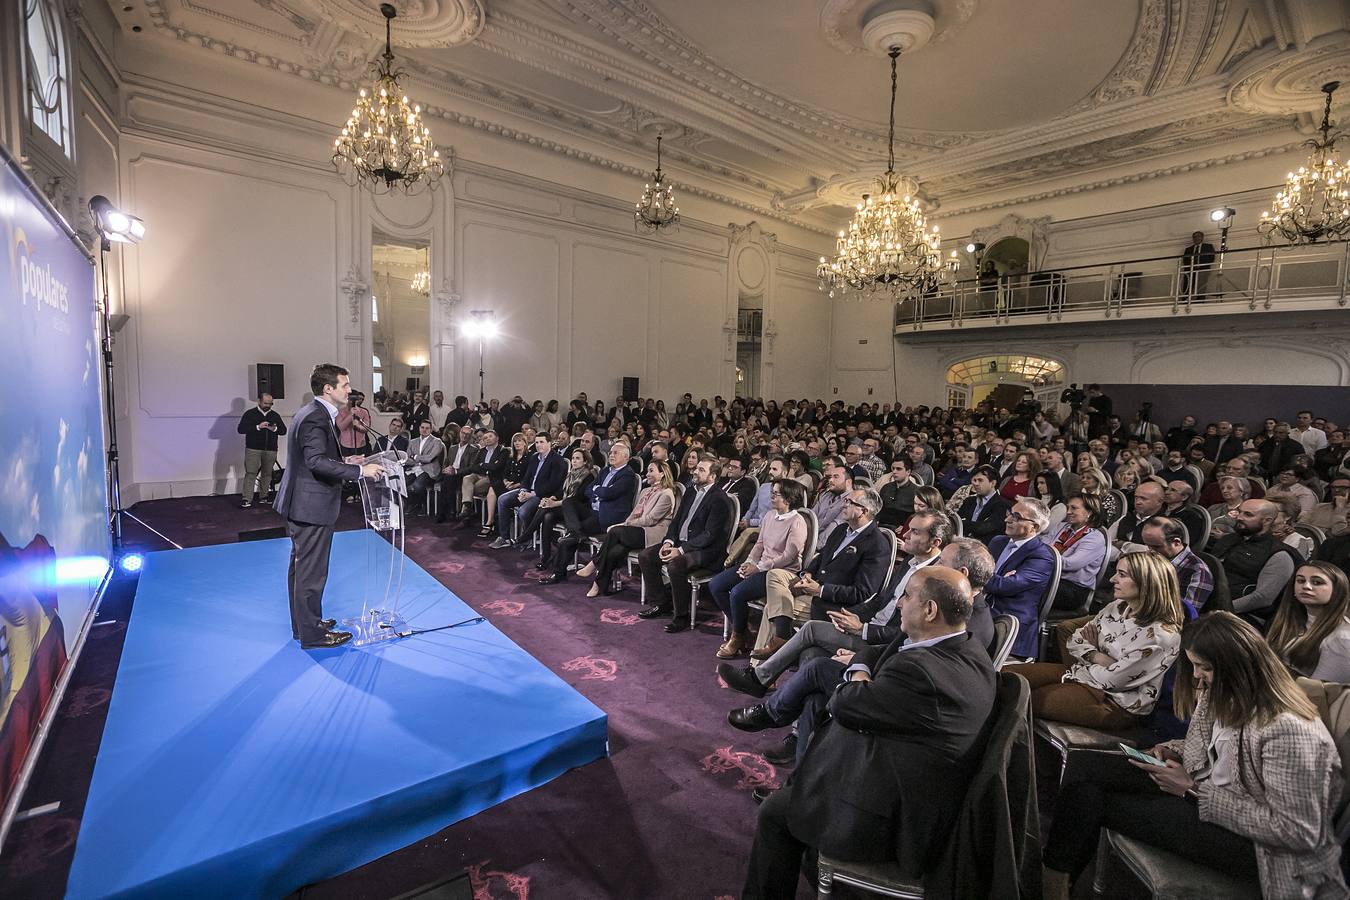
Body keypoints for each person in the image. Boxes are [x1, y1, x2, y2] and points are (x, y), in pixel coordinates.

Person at [1041, 612, 1347, 900]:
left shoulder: (1289, 730)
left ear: (1240, 665)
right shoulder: (1221, 692)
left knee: (1095, 799)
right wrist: (1171, 749)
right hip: (1201, 792)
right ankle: (1055, 882)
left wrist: (1192, 789)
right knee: (1087, 770)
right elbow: (1208, 745)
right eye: (1195, 666)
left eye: (1206, 667)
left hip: (1252, 845)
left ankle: (1055, 882)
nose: (1198, 677)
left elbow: (1297, 831)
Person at [740, 567, 996, 900]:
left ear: (930, 610)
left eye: (907, 596)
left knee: (775, 813)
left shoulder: (921, 671)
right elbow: (877, 652)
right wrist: (862, 669)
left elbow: (846, 702)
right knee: (818, 701)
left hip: (900, 816)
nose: (900, 604)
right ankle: (811, 842)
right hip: (916, 773)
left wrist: (858, 674)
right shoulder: (965, 645)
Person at [721, 511, 947, 695]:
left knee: (807, 629)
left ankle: (759, 677)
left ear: (934, 541)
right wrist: (853, 616)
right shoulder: (910, 562)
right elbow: (879, 601)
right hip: (860, 623)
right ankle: (798, 729)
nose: (905, 535)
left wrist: (863, 628)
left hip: (881, 644)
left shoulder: (935, 579)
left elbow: (907, 635)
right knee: (809, 654)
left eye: (915, 532)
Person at [1008, 551, 1183, 729]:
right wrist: (1101, 658)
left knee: (1021, 700)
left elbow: (1112, 680)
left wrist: (1092, 653)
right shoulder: (1117, 606)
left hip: (1114, 702)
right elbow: (1074, 640)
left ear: (1147, 583)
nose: (1112, 579)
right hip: (1080, 673)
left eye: (1122, 575)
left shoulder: (1161, 636)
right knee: (1006, 677)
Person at [273, 364, 382, 649]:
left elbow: (317, 459)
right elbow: (316, 462)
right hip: (310, 505)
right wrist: (361, 472)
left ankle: (305, 625)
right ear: (328, 389)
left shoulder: (314, 413)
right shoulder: (316, 418)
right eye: (345, 385)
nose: (349, 390)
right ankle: (313, 635)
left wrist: (347, 462)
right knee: (311, 573)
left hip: (304, 503)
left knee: (302, 570)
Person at [709, 479, 808, 658]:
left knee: (738, 593)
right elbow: (759, 544)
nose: (772, 496)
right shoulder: (770, 515)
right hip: (760, 566)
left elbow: (788, 556)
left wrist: (760, 567)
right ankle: (743, 631)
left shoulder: (797, 522)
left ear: (788, 498)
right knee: (716, 584)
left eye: (776, 493)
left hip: (780, 572)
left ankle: (737, 636)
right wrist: (749, 562)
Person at [636, 455, 732, 634]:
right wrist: (668, 541)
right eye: (697, 468)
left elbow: (709, 536)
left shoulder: (719, 499)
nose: (695, 471)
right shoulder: (690, 491)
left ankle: (681, 616)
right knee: (646, 556)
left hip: (706, 551)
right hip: (680, 543)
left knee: (676, 565)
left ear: (713, 476)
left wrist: (680, 550)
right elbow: (676, 520)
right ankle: (661, 603)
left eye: (701, 470)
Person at [574, 461, 677, 597]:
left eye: (651, 471)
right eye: (647, 470)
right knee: (614, 552)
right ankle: (599, 585)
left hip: (652, 533)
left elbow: (650, 520)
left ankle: (594, 563)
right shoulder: (646, 491)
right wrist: (625, 523)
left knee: (616, 531)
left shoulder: (666, 494)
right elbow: (634, 513)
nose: (647, 474)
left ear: (662, 473)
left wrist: (624, 525)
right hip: (638, 529)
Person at [542, 443, 640, 583]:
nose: (611, 455)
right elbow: (588, 489)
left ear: (626, 457)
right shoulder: (606, 470)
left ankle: (558, 573)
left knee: (569, 539)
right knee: (568, 502)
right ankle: (575, 533)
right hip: (593, 510)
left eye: (615, 453)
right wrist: (599, 491)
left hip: (607, 516)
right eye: (611, 452)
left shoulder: (628, 475)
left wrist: (598, 490)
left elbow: (610, 493)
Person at [983, 497, 1057, 659]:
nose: (1007, 519)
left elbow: (1003, 586)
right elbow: (995, 581)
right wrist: (995, 578)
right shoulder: (998, 542)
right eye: (1009, 513)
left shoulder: (1041, 557)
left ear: (1034, 527)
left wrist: (981, 575)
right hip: (983, 612)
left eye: (1016, 517)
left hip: (1009, 624)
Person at [1211, 499, 1300, 617]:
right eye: (1240, 512)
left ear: (1267, 520)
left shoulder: (1279, 554)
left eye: (1248, 514)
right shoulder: (1228, 540)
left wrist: (1221, 610)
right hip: (1211, 602)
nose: (1240, 517)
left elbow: (1263, 598)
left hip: (1244, 616)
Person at [1266, 561, 1350, 683]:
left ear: (1337, 590)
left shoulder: (1343, 638)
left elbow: (1320, 693)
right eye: (1300, 581)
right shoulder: (1289, 622)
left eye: (1317, 582)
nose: (1306, 586)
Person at [490, 434, 566, 546]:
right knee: (502, 499)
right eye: (536, 442)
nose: (538, 445)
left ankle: (529, 536)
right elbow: (526, 477)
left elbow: (553, 485)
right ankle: (504, 537)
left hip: (542, 495)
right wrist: (523, 490)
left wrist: (532, 494)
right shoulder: (534, 457)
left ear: (549, 443)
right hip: (528, 490)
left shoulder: (557, 460)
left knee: (523, 511)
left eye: (541, 442)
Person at [1139, 516, 1214, 611]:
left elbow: (1184, 615)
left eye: (1156, 547)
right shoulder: (1153, 558)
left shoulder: (1197, 571)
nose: (1150, 552)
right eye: (1147, 546)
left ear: (1176, 542)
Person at [1048, 495, 1109, 611]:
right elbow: (1042, 544)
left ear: (1090, 512)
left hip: (1073, 589)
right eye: (1068, 507)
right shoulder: (1062, 526)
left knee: (1028, 585)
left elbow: (1070, 564)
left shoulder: (1095, 538)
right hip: (1052, 578)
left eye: (1074, 508)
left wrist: (1042, 556)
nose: (1068, 512)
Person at [236, 392, 286, 508]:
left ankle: (264, 496)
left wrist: (275, 429)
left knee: (267, 474)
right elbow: (241, 429)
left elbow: (283, 431)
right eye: (265, 403)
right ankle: (247, 498)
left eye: (270, 403)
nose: (268, 406)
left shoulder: (275, 415)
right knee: (251, 473)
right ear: (259, 401)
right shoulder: (250, 414)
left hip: (271, 449)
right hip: (253, 449)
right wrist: (258, 427)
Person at [958, 465, 1012, 546]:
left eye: (980, 480)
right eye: (974, 480)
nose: (975, 483)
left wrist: (965, 522)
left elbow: (984, 529)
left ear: (993, 483)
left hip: (984, 547)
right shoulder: (968, 501)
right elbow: (958, 523)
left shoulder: (1003, 505)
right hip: (962, 543)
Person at [403, 420, 445, 512]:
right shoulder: (413, 441)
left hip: (429, 470)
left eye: (427, 428)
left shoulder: (436, 441)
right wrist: (417, 462)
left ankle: (422, 504)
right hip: (414, 468)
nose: (424, 430)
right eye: (422, 427)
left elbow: (429, 458)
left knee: (417, 486)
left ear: (431, 429)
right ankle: (414, 503)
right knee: (402, 483)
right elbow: (407, 458)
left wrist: (415, 457)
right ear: (419, 428)